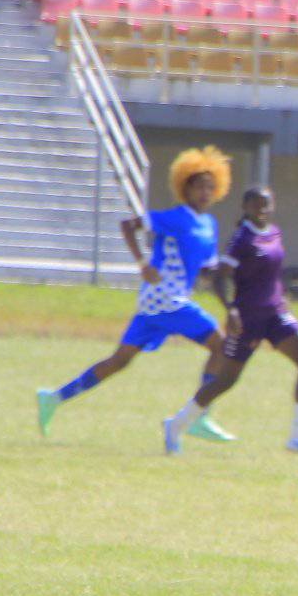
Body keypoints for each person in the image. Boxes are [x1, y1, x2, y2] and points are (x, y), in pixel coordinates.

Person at [36, 146, 237, 447]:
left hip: (163, 301)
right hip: (164, 297)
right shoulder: (175, 217)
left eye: (210, 187)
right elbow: (128, 225)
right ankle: (198, 416)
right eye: (198, 186)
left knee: (120, 361)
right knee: (221, 346)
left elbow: (207, 270)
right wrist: (142, 263)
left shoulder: (209, 224)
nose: (204, 192)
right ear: (185, 187)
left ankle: (54, 398)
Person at [163, 187, 298, 458]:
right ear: (246, 207)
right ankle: (176, 424)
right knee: (226, 380)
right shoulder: (242, 238)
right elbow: (219, 277)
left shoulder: (275, 232)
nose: (261, 209)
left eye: (266, 204)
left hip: (275, 314)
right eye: (256, 205)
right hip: (248, 319)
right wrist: (231, 310)